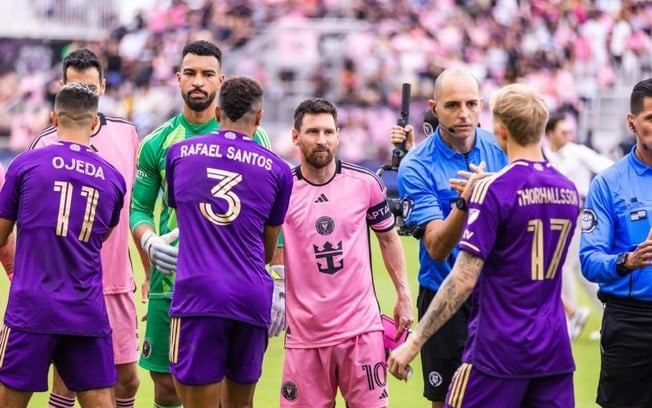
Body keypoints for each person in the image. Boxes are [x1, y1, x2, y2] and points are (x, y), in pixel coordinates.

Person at [388, 83, 580, 407]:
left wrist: (414, 342)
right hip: (552, 344)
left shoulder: (492, 190)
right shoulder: (569, 190)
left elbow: (464, 277)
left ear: (499, 129)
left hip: (497, 342)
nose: (464, 114)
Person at [130, 40, 272, 408]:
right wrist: (149, 244)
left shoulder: (254, 138)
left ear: (220, 81)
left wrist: (279, 277)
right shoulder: (157, 142)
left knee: (228, 388)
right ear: (178, 79)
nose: (198, 81)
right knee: (165, 386)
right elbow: (140, 209)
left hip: (233, 280)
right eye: (190, 73)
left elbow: (274, 216)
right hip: (170, 278)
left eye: (207, 74)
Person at [165, 76, 292, 408]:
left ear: (218, 113)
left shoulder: (179, 154)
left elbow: (185, 221)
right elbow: (268, 247)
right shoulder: (279, 171)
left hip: (198, 294)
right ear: (259, 117)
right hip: (251, 296)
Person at [278, 98, 413, 407]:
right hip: (305, 337)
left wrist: (403, 295)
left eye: (328, 131)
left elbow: (389, 240)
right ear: (296, 136)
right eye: (312, 131)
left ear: (339, 134)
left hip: (360, 332)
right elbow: (269, 247)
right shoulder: (282, 190)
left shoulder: (366, 184)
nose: (322, 140)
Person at [27, 47, 141, 408]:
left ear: (104, 87)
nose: (83, 95)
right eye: (75, 87)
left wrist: (148, 270)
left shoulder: (127, 135)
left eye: (90, 89)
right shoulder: (43, 143)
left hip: (115, 280)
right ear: (61, 87)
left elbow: (133, 208)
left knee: (127, 379)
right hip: (65, 284)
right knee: (65, 383)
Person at [0, 82, 126, 408]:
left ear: (54, 118)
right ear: (94, 123)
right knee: (100, 400)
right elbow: (102, 238)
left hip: (31, 307)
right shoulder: (112, 179)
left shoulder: (25, 165)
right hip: (85, 308)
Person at [389, 68, 506, 407]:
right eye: (453, 105)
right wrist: (467, 201)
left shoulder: (501, 146)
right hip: (444, 297)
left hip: (497, 294)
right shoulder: (416, 165)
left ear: (482, 105)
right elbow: (437, 248)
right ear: (434, 107)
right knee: (448, 401)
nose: (464, 113)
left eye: (471, 104)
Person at [579, 77, 652, 407]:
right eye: (651, 118)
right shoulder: (608, 184)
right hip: (630, 323)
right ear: (632, 122)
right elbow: (589, 260)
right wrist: (627, 261)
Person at [544, 111, 613, 341]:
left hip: (578, 215)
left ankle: (572, 317)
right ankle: (607, 319)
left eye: (570, 132)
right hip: (554, 219)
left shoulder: (577, 152)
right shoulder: (544, 156)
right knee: (583, 274)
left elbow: (608, 167)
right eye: (563, 132)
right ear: (550, 134)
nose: (568, 137)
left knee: (562, 265)